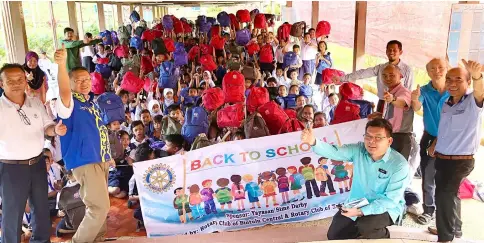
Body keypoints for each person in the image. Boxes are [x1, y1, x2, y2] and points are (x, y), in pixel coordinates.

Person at [301, 118, 410, 240]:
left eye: (378, 137)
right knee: (335, 235)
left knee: (367, 226)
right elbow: (335, 152)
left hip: (386, 206)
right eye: (368, 136)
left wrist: (360, 212)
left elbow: (390, 200)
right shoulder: (359, 150)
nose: (371, 141)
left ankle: (387, 235)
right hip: (358, 201)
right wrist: (314, 142)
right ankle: (362, 231)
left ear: (389, 141)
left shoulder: (399, 165)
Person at [0, 63, 67, 243]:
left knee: (41, 209)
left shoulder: (35, 102)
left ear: (25, 80)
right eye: (10, 81)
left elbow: (47, 127)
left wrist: (56, 130)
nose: (16, 84)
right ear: (1, 83)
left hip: (37, 164)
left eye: (20, 79)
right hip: (11, 168)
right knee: (12, 214)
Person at [53, 45, 114, 242]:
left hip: (99, 160)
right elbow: (63, 90)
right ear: (70, 83)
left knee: (99, 206)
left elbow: (97, 132)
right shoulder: (69, 104)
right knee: (99, 207)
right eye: (78, 81)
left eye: (87, 79)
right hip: (84, 161)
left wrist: (107, 157)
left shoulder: (90, 103)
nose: (84, 83)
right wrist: (61, 66)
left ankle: (98, 239)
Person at [427, 60, 483, 243]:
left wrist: (477, 76)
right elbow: (445, 129)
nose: (452, 83)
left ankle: (446, 237)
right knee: (450, 195)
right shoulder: (447, 103)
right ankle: (453, 228)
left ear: (467, 82)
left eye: (458, 79)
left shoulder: (472, 102)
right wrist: (435, 143)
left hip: (460, 161)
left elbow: (480, 90)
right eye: (449, 79)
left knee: (445, 195)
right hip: (443, 157)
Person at [410, 58, 449, 225]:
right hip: (430, 137)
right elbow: (417, 107)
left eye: (440, 67)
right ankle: (428, 210)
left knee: (448, 178)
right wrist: (414, 98)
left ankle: (446, 212)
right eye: (433, 68)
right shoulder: (425, 90)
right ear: (428, 72)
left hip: (452, 139)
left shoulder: (455, 90)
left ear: (447, 69)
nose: (437, 70)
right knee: (428, 176)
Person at [335, 40, 413, 112]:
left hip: (398, 105)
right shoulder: (381, 68)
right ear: (386, 51)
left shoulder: (407, 70)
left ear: (400, 52)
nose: (391, 52)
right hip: (382, 103)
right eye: (389, 50)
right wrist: (342, 78)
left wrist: (401, 103)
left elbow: (408, 91)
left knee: (395, 126)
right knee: (379, 125)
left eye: (394, 50)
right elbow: (362, 73)